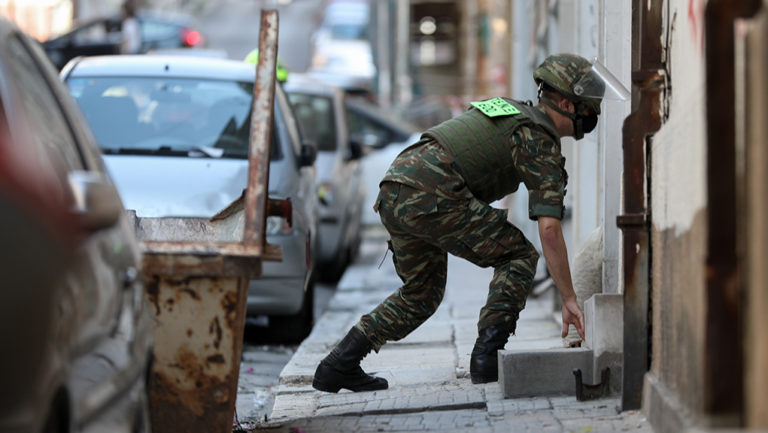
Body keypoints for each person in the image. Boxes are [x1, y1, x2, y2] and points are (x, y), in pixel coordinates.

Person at [311, 53, 620, 393]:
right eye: (588, 108)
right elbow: (549, 228)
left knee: (421, 295)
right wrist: (569, 298)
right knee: (518, 256)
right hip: (433, 192)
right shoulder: (539, 140)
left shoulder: (510, 109)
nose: (593, 115)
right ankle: (487, 358)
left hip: (397, 187)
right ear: (565, 103)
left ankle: (338, 364)